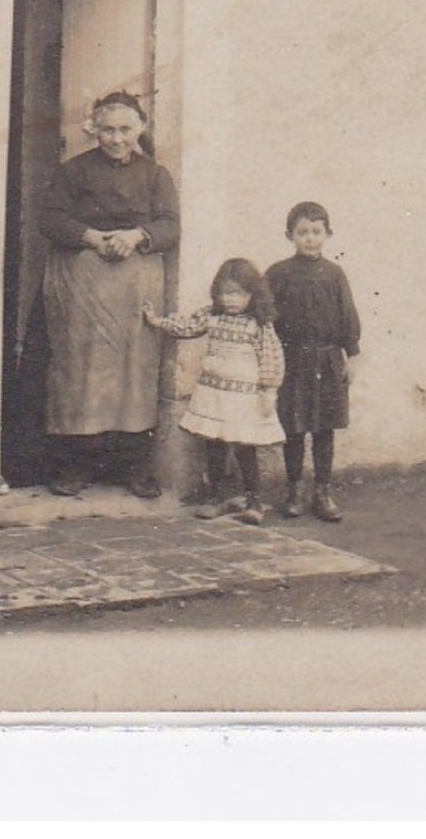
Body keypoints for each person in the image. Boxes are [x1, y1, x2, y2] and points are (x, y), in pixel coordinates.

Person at [40, 91, 179, 498]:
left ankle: (133, 467)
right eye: (107, 130)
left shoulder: (156, 175)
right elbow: (49, 218)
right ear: (94, 131)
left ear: (140, 129)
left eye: (125, 130)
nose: (116, 139)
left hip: (135, 284)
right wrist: (91, 236)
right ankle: (74, 466)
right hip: (83, 283)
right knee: (81, 372)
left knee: (134, 371)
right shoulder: (73, 172)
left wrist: (137, 235)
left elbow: (171, 225)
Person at [143, 258, 285, 525]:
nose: (231, 300)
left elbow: (272, 359)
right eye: (226, 293)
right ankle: (215, 496)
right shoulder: (211, 316)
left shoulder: (259, 325)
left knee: (244, 447)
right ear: (217, 293)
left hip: (244, 398)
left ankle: (253, 499)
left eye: (239, 294)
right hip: (214, 394)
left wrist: (269, 391)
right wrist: (156, 321)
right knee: (215, 446)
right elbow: (186, 327)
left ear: (252, 294)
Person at [265, 201, 362, 522]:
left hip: (327, 360)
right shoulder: (278, 273)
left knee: (324, 429)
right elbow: (265, 317)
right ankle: (294, 490)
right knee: (293, 428)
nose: (310, 239)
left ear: (328, 234)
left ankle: (323, 492)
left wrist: (353, 355)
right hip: (291, 360)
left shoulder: (335, 274)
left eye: (316, 232)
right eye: (302, 232)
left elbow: (348, 317)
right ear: (289, 235)